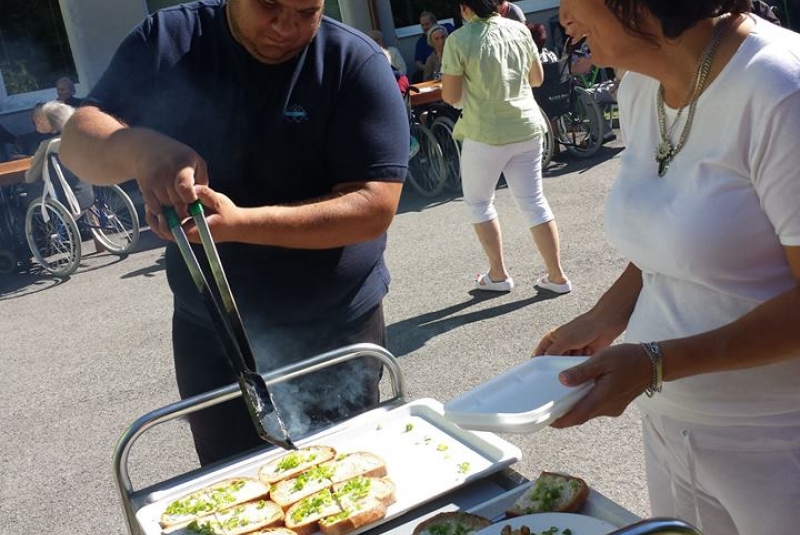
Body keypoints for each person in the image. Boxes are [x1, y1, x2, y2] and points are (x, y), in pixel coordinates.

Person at [59, 0, 409, 466]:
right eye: (269, 6)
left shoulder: (351, 61)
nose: (287, 27)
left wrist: (241, 224)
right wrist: (140, 149)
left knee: (348, 476)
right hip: (211, 334)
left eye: (307, 12)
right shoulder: (170, 41)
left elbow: (373, 206)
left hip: (333, 327)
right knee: (229, 484)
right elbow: (77, 142)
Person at [537, 2, 800, 535]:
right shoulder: (639, 87)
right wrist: (603, 317)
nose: (563, 16)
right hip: (671, 424)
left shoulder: (781, 91)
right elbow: (679, 236)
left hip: (778, 440)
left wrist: (656, 362)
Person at [440, 0, 571, 295]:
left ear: (464, 8)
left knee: (479, 202)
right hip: (527, 125)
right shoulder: (520, 30)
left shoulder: (458, 40)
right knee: (534, 201)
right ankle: (557, 276)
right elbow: (537, 79)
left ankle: (498, 275)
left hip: (484, 131)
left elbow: (450, 95)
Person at [23, 101, 94, 209]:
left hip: (67, 200)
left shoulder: (48, 145)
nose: (37, 123)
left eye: (39, 121)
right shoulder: (78, 137)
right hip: (88, 194)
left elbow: (31, 177)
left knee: (27, 197)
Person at [413, 11, 454, 81]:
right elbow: (418, 63)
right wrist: (430, 67)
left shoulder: (447, 29)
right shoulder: (421, 43)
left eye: (427, 24)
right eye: (422, 25)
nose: (425, 27)